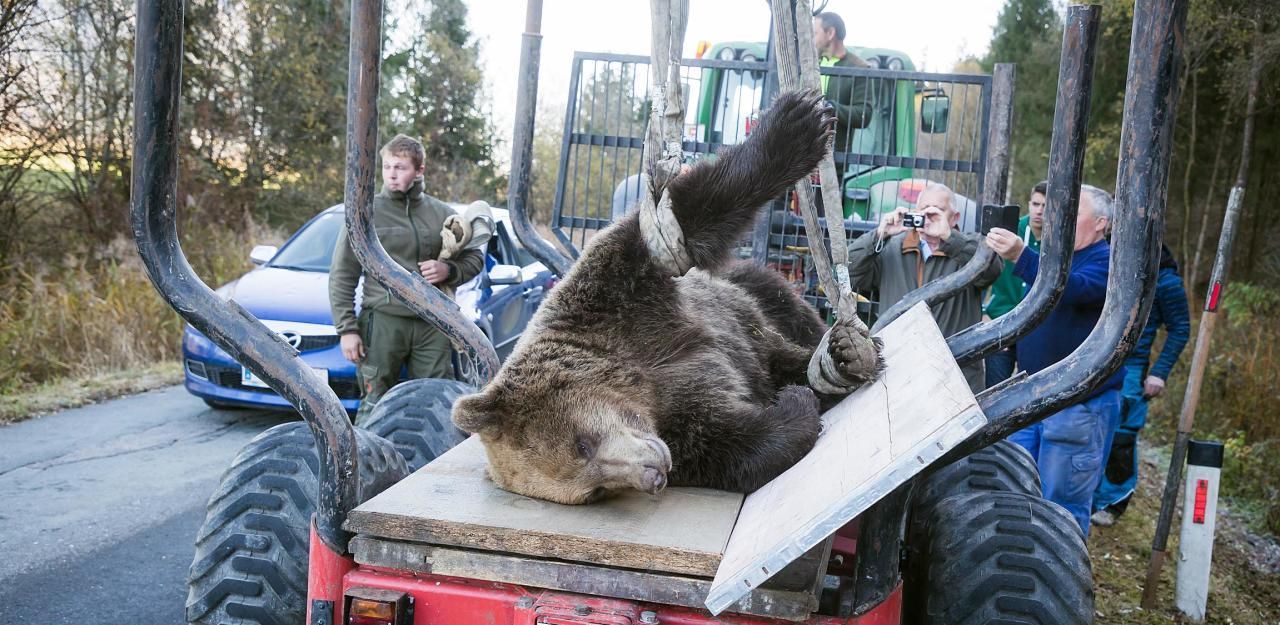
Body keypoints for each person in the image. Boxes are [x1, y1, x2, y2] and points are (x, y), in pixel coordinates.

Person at [986, 184, 1121, 536]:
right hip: (1032, 396)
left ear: (1101, 224)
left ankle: (1058, 583)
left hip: (1078, 405)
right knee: (1014, 492)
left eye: (1074, 213)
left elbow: (1071, 289)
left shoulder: (1109, 263)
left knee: (1061, 507)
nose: (1059, 219)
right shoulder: (1055, 258)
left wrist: (1022, 256)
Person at [329, 134, 486, 423]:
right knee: (375, 402)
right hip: (383, 323)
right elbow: (342, 275)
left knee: (435, 400)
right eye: (387, 166)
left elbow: (476, 258)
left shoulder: (442, 214)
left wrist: (448, 271)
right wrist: (346, 329)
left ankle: (431, 467)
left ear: (419, 170)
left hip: (433, 324)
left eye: (400, 167)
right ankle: (366, 465)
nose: (391, 174)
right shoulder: (365, 213)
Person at [849, 183, 1004, 392]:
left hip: (955, 371)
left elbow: (991, 270)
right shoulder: (893, 247)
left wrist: (950, 239)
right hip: (897, 369)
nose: (929, 215)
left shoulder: (970, 247)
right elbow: (848, 272)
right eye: (924, 209)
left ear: (955, 217)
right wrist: (879, 235)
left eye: (938, 210)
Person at [1091, 244, 1190, 527]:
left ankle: (1113, 502)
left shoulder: (1166, 282)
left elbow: (1181, 329)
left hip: (1133, 369)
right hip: (1101, 358)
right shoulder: (1116, 270)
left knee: (1122, 437)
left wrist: (1159, 373)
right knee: (1094, 430)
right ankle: (1090, 495)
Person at [982, 180, 1047, 387]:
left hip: (1037, 323)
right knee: (994, 389)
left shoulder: (1059, 238)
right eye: (1035, 204)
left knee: (1033, 389)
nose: (1039, 211)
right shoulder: (1011, 231)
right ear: (1029, 203)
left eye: (1045, 206)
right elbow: (981, 268)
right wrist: (982, 313)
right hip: (1000, 317)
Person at [813, 11, 874, 195]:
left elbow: (864, 114)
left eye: (815, 33)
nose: (811, 39)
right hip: (798, 157)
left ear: (830, 33)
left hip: (832, 162)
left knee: (823, 221)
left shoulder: (859, 68)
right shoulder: (810, 63)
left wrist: (830, 108)